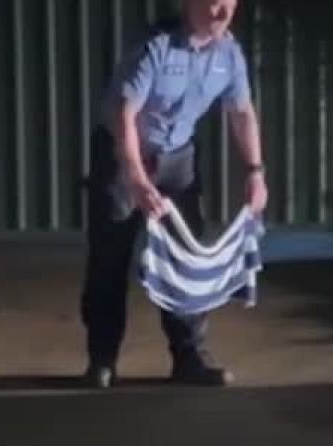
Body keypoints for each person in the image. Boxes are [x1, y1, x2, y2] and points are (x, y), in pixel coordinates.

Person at [80, 0, 267, 388]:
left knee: (186, 254)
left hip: (177, 156)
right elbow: (123, 115)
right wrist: (135, 177)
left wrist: (255, 172)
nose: (222, 13)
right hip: (123, 152)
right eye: (214, 4)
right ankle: (101, 360)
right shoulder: (154, 47)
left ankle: (189, 357)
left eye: (230, 5)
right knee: (110, 256)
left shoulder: (229, 54)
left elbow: (242, 112)